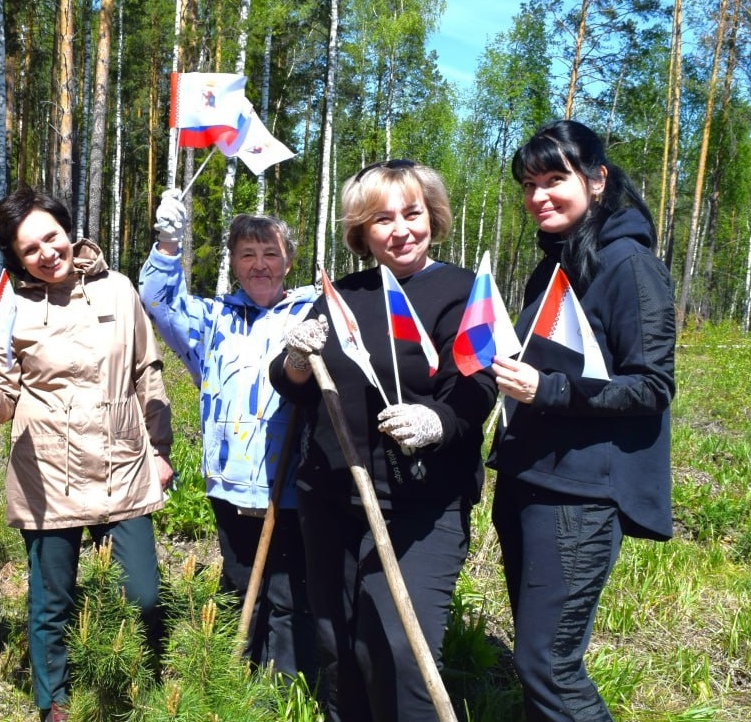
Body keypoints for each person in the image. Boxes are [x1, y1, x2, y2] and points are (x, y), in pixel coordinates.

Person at [270, 160, 498, 721]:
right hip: (331, 496)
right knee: (338, 641)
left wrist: (436, 421)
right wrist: (295, 358)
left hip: (420, 504)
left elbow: (478, 385)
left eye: (412, 213)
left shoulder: (461, 291)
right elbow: (294, 385)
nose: (401, 230)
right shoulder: (343, 294)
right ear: (362, 231)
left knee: (399, 648)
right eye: (382, 219)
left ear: (432, 217)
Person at [0, 188, 174, 722]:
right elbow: (2, 400)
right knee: (52, 600)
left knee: (142, 593)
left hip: (123, 462)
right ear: (16, 258)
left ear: (68, 231)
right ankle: (56, 702)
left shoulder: (118, 289)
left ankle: (138, 686)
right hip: (47, 471)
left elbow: (147, 372)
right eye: (30, 249)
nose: (46, 253)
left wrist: (160, 450)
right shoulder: (11, 307)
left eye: (51, 237)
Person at [489, 119, 676, 722]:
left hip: (580, 496)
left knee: (549, 665)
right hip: (530, 479)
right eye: (529, 185)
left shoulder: (630, 265)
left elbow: (652, 385)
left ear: (597, 180)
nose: (538, 196)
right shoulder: (556, 265)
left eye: (554, 180)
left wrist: (548, 389)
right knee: (536, 660)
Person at [138, 191, 318, 683]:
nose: (260, 265)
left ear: (288, 260)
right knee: (240, 583)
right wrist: (168, 244)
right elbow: (157, 300)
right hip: (231, 483)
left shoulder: (310, 312)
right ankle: (234, 681)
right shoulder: (212, 319)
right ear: (234, 263)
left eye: (271, 253)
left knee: (290, 590)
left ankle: (282, 689)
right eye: (247, 254)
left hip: (294, 483)